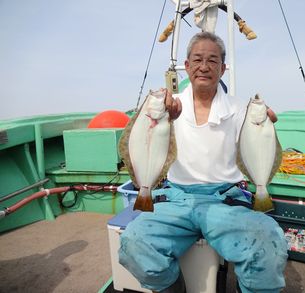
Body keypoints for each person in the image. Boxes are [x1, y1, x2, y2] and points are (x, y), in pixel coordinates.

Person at [119, 32, 288, 293]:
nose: (204, 66)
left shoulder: (241, 108)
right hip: (175, 198)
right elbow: (142, 133)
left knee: (269, 243)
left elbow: (259, 143)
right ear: (187, 66)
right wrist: (166, 115)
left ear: (222, 68)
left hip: (226, 200)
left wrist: (266, 127)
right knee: (133, 243)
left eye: (213, 60)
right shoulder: (169, 107)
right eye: (197, 59)